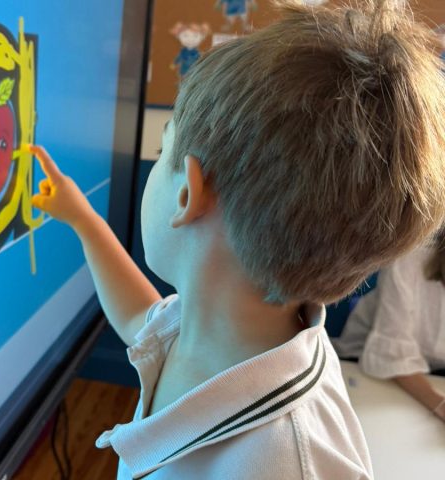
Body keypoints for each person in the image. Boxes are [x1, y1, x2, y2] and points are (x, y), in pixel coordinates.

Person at [30, 0, 445, 478]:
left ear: (187, 193)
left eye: (163, 149)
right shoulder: (225, 329)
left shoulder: (280, 464)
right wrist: (83, 219)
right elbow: (139, 320)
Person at [332, 235, 445, 422]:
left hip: (433, 374)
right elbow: (392, 356)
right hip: (366, 362)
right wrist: (440, 404)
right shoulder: (409, 258)